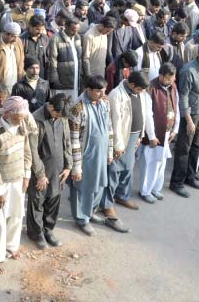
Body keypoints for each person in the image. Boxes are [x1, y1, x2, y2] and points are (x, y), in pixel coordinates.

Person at [0, 96, 33, 274]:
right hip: (1, 183)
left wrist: (26, 175)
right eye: (19, 117)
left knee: (17, 215)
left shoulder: (22, 125)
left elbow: (27, 151)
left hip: (18, 180)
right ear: (9, 113)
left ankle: (11, 246)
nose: (22, 120)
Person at [68, 75, 124, 234]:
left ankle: (91, 212)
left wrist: (110, 150)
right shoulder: (77, 108)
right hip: (86, 156)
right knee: (82, 188)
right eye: (98, 91)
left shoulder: (104, 102)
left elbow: (109, 127)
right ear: (89, 90)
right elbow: (74, 140)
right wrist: (77, 167)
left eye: (104, 91)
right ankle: (81, 219)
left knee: (99, 185)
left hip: (102, 154)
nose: (102, 94)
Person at [169, 43, 199, 198]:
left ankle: (190, 176)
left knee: (196, 147)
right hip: (191, 115)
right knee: (184, 149)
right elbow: (183, 96)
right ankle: (177, 183)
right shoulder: (188, 70)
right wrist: (188, 119)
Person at [27, 93, 71, 248]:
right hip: (41, 170)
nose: (58, 118)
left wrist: (68, 166)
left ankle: (48, 230)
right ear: (50, 106)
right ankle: (36, 233)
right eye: (57, 114)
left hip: (58, 169)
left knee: (54, 199)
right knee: (37, 201)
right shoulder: (36, 119)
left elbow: (67, 141)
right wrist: (40, 174)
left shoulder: (62, 117)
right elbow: (32, 150)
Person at [107, 71, 153, 211]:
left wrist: (140, 135)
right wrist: (118, 145)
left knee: (128, 168)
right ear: (132, 84)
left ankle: (123, 196)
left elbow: (144, 114)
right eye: (139, 89)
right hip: (121, 138)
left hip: (134, 137)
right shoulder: (116, 94)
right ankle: (107, 203)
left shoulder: (141, 93)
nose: (141, 92)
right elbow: (115, 122)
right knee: (114, 171)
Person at [139, 63, 178, 204]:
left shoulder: (172, 86)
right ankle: (145, 191)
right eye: (168, 79)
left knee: (161, 163)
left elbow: (176, 106)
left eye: (172, 79)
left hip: (167, 132)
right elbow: (148, 115)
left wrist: (175, 129)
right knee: (150, 163)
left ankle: (156, 188)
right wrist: (152, 136)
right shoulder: (150, 88)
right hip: (154, 134)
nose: (171, 81)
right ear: (161, 76)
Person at [47, 17, 83, 101]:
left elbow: (79, 59)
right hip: (61, 81)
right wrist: (54, 80)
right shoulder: (55, 39)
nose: (75, 33)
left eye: (77, 30)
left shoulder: (77, 37)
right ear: (65, 26)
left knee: (72, 105)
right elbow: (52, 61)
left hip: (75, 80)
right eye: (73, 30)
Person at [0, 22, 25, 89]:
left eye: (17, 37)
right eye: (13, 37)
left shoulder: (18, 43)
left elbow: (21, 62)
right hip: (2, 87)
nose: (15, 39)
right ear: (5, 34)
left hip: (16, 85)